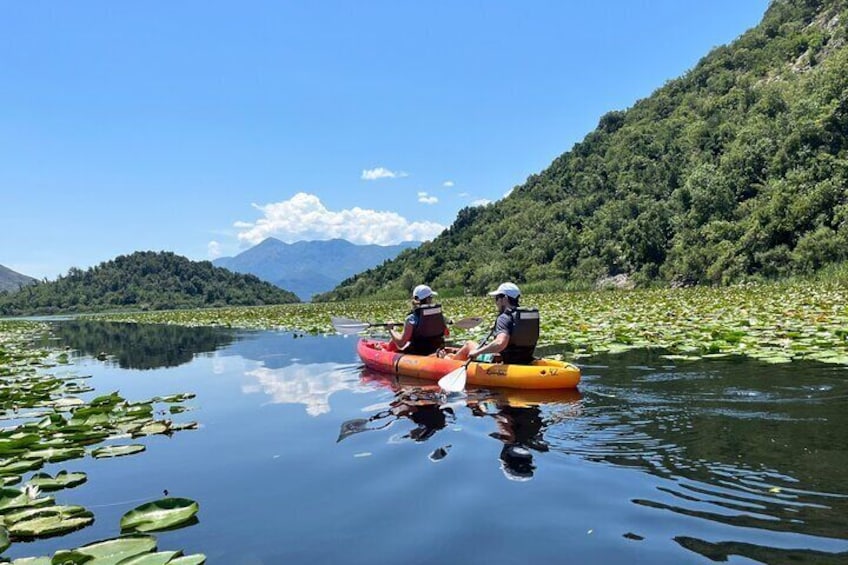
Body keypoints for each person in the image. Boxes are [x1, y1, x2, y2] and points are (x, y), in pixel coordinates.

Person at [451, 282, 539, 364]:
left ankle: (451, 362)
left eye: (497, 298)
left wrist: (477, 352)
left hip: (509, 361)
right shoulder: (524, 315)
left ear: (504, 299)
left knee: (469, 344)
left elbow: (500, 343)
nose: (496, 302)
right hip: (526, 359)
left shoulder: (504, 317)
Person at [388, 284, 449, 355]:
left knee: (394, 340)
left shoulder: (411, 319)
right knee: (393, 341)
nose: (432, 299)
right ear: (428, 299)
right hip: (437, 351)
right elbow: (447, 334)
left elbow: (401, 343)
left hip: (419, 353)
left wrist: (391, 330)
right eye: (431, 297)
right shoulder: (439, 316)